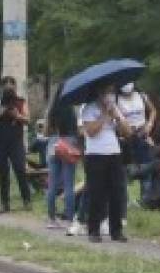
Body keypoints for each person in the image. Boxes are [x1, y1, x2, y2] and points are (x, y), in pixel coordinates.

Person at [81, 83, 131, 243]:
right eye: (106, 92)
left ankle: (116, 230)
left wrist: (116, 116)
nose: (109, 95)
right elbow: (91, 131)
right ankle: (93, 229)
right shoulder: (89, 108)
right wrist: (104, 115)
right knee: (96, 193)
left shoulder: (115, 108)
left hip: (114, 153)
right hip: (95, 154)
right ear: (99, 93)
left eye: (111, 92)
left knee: (117, 192)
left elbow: (127, 132)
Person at [0, 75, 32, 212]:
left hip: (15, 142)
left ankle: (27, 200)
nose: (9, 86)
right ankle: (4, 203)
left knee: (20, 169)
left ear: (15, 87)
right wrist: (0, 113)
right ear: (1, 87)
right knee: (3, 173)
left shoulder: (20, 101)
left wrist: (17, 116)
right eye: (5, 84)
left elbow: (27, 120)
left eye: (11, 84)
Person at [46, 91, 80, 231]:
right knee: (68, 184)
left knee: (52, 184)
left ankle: (51, 219)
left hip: (54, 143)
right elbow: (77, 130)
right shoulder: (72, 109)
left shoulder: (52, 109)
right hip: (69, 143)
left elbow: (46, 132)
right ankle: (69, 218)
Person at [118, 80, 157, 203]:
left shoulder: (141, 96)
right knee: (125, 169)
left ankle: (146, 199)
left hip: (142, 135)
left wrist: (150, 124)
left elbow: (153, 111)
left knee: (146, 167)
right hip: (125, 137)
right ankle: (125, 200)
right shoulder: (116, 99)